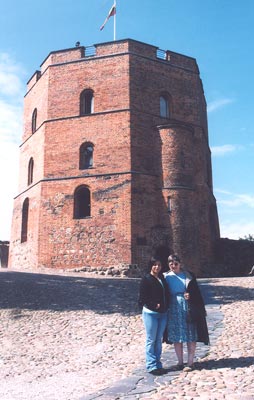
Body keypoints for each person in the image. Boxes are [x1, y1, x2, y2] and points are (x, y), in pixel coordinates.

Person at [164, 254, 209, 372]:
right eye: (171, 263)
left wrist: (191, 295)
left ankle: (190, 362)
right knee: (176, 335)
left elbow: (196, 292)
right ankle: (180, 362)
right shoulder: (165, 277)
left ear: (180, 264)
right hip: (173, 308)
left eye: (176, 263)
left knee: (190, 333)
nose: (173, 266)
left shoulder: (188, 275)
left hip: (187, 307)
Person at [138, 257, 170, 375]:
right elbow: (142, 299)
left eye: (159, 265)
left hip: (163, 313)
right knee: (151, 339)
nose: (157, 267)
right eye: (155, 265)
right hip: (151, 314)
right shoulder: (146, 279)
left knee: (158, 340)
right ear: (151, 265)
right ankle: (151, 365)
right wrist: (153, 305)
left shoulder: (162, 278)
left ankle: (158, 363)